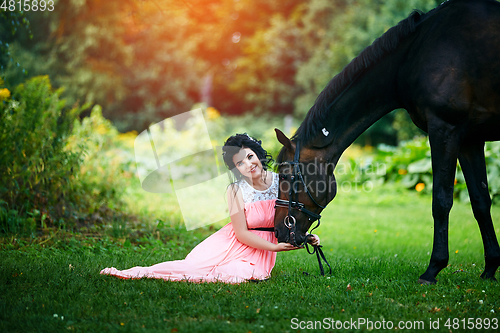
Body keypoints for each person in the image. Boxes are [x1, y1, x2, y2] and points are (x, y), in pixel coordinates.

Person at [100, 133, 320, 283]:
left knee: (235, 273)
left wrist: (306, 236)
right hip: (232, 244)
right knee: (196, 271)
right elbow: (241, 234)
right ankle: (140, 272)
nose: (248, 165)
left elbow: (290, 217)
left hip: (259, 254)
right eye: (239, 163)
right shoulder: (234, 191)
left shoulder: (282, 182)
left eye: (250, 157)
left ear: (258, 154)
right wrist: (273, 248)